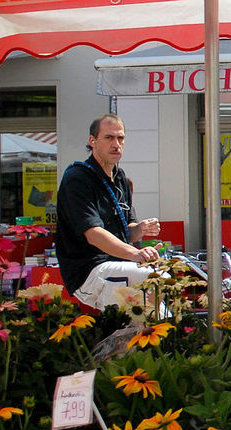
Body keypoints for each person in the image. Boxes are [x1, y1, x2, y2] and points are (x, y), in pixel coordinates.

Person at [55, 114, 162, 310]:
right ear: (92, 141)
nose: (116, 144)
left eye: (120, 138)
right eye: (109, 137)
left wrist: (141, 228)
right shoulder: (77, 178)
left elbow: (126, 231)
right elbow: (93, 234)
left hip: (116, 264)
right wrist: (135, 253)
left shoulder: (120, 177)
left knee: (159, 313)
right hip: (88, 270)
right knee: (154, 279)